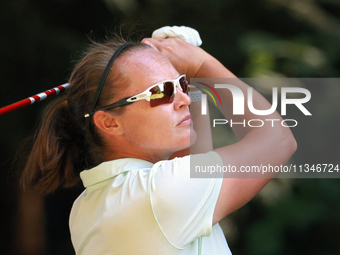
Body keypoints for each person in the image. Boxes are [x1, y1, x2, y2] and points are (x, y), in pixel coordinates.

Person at [20, 34, 297, 254]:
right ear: (109, 123)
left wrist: (191, 79)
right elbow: (279, 140)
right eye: (160, 92)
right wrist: (201, 64)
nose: (183, 99)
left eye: (180, 85)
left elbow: (188, 164)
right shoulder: (160, 195)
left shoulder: (88, 205)